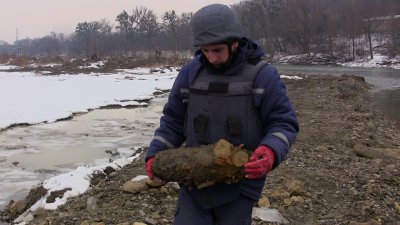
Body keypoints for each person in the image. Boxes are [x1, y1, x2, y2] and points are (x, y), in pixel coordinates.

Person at [145, 3, 299, 225]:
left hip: (240, 183)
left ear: (234, 42)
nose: (212, 58)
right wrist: (155, 152)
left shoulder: (263, 76)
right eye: (205, 51)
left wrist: (271, 150)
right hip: (194, 179)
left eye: (217, 50)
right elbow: (173, 121)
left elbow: (284, 122)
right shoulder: (190, 74)